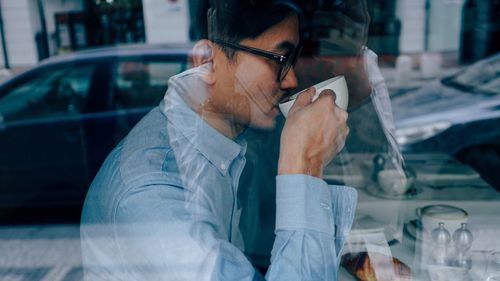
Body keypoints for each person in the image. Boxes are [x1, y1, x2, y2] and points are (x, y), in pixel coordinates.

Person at [80, 0, 357, 280]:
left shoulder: (226, 142)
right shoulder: (152, 197)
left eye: (293, 59)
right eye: (280, 60)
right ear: (207, 61)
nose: (291, 80)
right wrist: (305, 165)